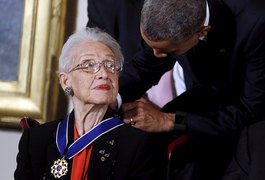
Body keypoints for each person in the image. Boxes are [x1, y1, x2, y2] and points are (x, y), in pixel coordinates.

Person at [118, 0, 265, 179]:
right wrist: (110, 96)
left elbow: (250, 111)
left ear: (202, 31)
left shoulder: (256, 23)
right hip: (212, 92)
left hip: (254, 111)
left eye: (167, 51)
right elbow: (145, 65)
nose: (155, 54)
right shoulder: (165, 12)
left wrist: (169, 121)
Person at [14, 27, 167, 180]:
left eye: (110, 66)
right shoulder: (35, 140)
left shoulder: (139, 145)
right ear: (66, 81)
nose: (103, 74)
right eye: (88, 65)